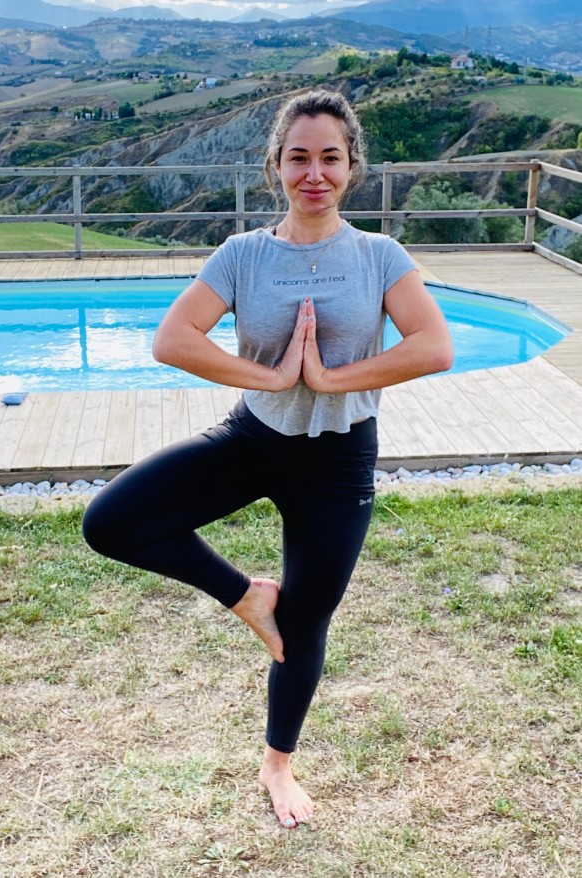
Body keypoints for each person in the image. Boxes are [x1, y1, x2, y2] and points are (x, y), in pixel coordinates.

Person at [83, 89, 453, 829]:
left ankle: (276, 762)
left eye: (329, 158)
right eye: (298, 158)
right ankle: (245, 594)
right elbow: (174, 338)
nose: (313, 173)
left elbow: (432, 347)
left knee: (308, 619)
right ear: (274, 165)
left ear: (351, 168)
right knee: (111, 522)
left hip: (339, 458)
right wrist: (273, 379)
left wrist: (329, 380)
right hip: (252, 438)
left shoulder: (379, 256)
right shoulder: (244, 255)